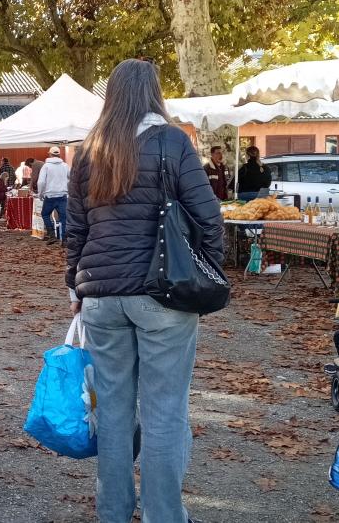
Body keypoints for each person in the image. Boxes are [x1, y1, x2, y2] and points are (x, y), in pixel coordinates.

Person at [64, 58, 223, 523]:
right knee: (164, 411)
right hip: (163, 294)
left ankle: (113, 513)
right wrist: (206, 272)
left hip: (100, 296)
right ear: (154, 94)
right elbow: (208, 217)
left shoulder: (89, 150)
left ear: (111, 96)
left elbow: (75, 229)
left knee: (111, 411)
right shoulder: (173, 143)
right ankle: (163, 515)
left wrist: (75, 285)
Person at [37, 146, 70, 245]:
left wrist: (40, 193)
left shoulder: (46, 166)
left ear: (50, 154)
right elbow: (72, 177)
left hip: (50, 196)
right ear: (59, 154)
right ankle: (64, 240)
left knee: (45, 214)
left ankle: (52, 235)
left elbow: (41, 182)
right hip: (63, 195)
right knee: (64, 218)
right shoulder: (65, 165)